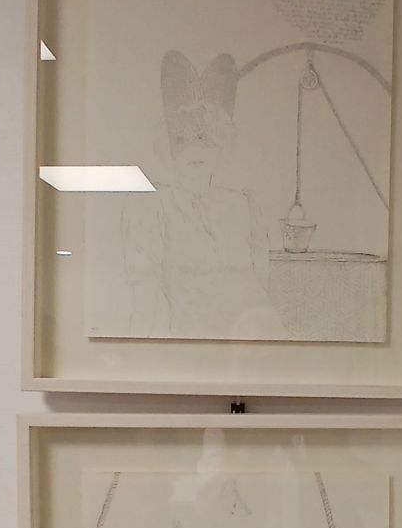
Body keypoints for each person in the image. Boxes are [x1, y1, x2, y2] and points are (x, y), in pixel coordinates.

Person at [120, 50, 287, 340]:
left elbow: (261, 287)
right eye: (181, 139)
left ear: (222, 143)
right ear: (168, 147)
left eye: (204, 137)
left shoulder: (243, 206)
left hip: (250, 340)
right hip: (189, 341)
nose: (194, 150)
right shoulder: (154, 206)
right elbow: (144, 296)